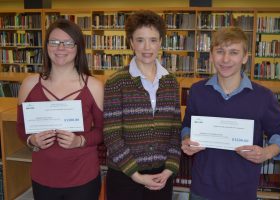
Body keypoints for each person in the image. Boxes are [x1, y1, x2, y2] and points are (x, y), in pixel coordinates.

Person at [181, 27, 280, 200]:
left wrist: (267, 153)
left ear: (245, 57)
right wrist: (186, 139)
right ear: (211, 55)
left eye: (234, 52)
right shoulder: (197, 91)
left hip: (242, 190)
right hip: (202, 188)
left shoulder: (263, 96)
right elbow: (187, 125)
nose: (225, 59)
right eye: (220, 51)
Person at [16, 18, 104, 200]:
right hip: (43, 177)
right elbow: (21, 128)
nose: (60, 48)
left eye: (68, 43)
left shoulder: (94, 86)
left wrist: (79, 141)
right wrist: (32, 140)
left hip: (83, 177)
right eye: (54, 42)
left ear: (78, 47)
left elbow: (103, 131)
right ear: (46, 46)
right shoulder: (29, 84)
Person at [103, 10, 181, 200]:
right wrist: (137, 176)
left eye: (153, 40)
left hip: (160, 177)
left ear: (161, 42)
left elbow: (175, 130)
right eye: (140, 40)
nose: (147, 47)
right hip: (125, 176)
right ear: (131, 42)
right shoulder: (117, 82)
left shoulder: (171, 82)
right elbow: (112, 134)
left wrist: (170, 169)